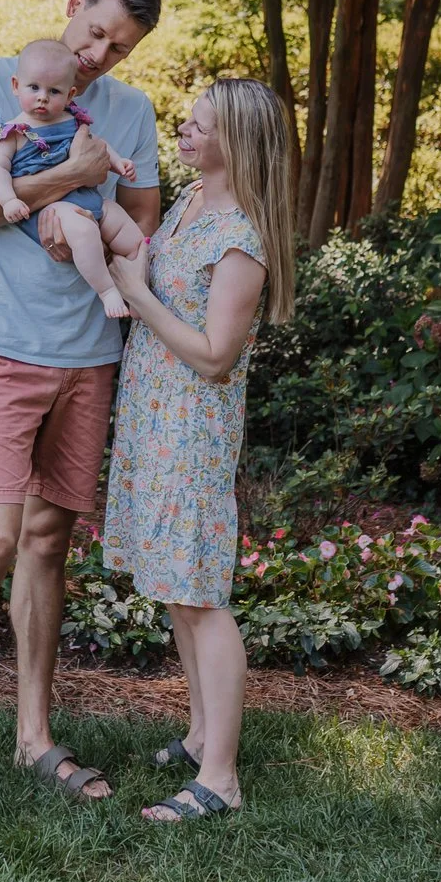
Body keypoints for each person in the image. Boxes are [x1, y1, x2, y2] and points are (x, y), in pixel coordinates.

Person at [0, 0, 164, 835]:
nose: (97, 57)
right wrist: (65, 182)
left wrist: (95, 234)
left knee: (49, 541)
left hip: (90, 353)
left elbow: (145, 223)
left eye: (117, 48)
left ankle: (32, 736)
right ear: (71, 7)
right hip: (1, 348)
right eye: (92, 34)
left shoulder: (131, 111)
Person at [102, 77, 296, 824]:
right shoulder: (188, 207)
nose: (183, 130)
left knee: (202, 597)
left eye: (200, 125)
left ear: (236, 144)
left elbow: (216, 356)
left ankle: (221, 778)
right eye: (187, 119)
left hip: (191, 430)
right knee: (179, 594)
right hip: (154, 421)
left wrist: (139, 297)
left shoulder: (240, 238)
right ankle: (199, 734)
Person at [0, 38, 147, 317]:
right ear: (15, 86)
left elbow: (98, 145)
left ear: (70, 95)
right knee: (83, 232)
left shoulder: (72, 120)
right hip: (52, 207)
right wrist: (9, 200)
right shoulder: (13, 131)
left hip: (88, 198)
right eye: (33, 87)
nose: (42, 97)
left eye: (54, 91)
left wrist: (118, 163)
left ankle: (140, 288)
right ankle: (107, 291)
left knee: (131, 233)